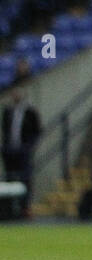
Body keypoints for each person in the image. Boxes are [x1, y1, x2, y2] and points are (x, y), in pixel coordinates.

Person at [2, 83, 41, 216]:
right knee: (10, 178)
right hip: (9, 151)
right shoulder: (8, 111)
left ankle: (25, 207)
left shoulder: (30, 111)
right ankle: (9, 208)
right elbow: (5, 130)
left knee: (25, 179)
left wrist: (29, 147)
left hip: (23, 151)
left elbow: (37, 131)